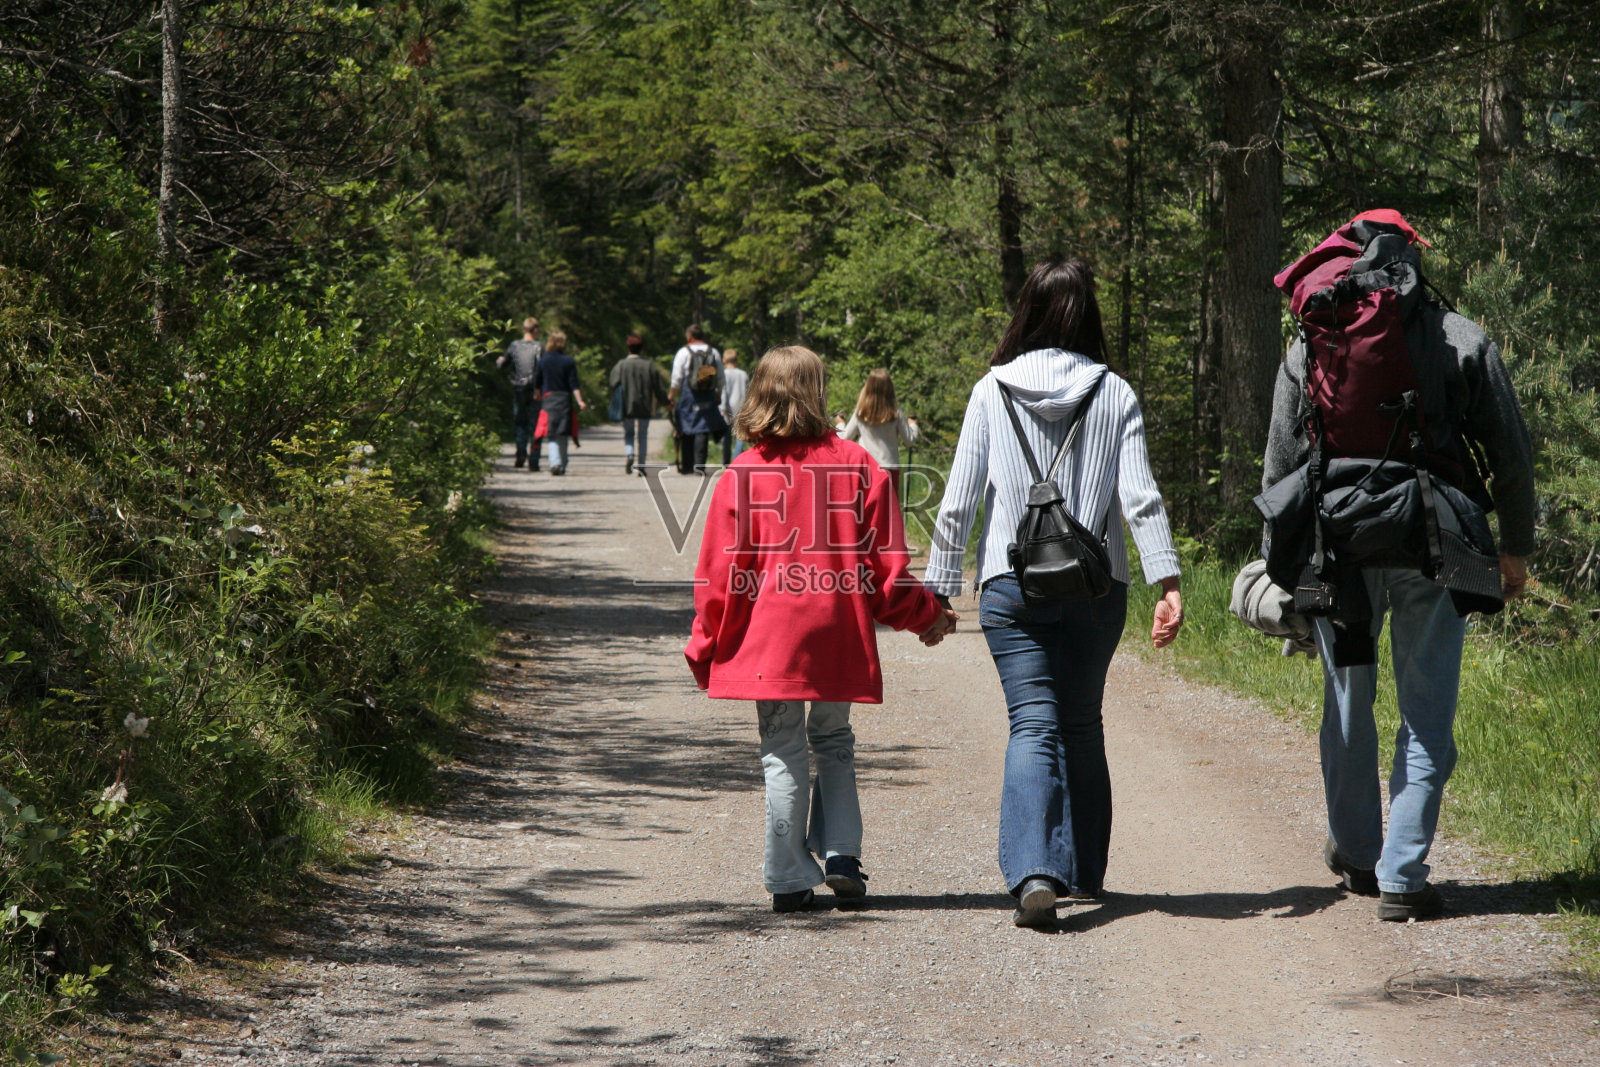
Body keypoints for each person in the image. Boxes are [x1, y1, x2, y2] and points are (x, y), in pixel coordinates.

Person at [1263, 210, 1536, 921]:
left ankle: (1357, 853)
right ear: (1409, 257)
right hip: (1433, 545)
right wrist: (1516, 548)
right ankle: (1404, 875)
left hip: (1339, 546)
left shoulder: (1311, 341)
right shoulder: (1458, 336)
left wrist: (1282, 565)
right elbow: (1509, 452)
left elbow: (1280, 461)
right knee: (1426, 705)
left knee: (1348, 702)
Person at [924, 256, 1184, 929]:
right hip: (1099, 585)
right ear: (1087, 314)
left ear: (1028, 312)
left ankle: (1037, 870)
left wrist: (938, 589)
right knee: (1081, 721)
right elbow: (1140, 495)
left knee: (1033, 722)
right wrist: (1168, 579)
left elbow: (958, 501)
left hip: (1011, 586)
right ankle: (1084, 869)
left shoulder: (991, 390)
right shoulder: (1115, 391)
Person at [686, 346, 959, 913]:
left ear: (759, 391)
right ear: (816, 391)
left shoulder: (742, 473)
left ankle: (788, 878)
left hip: (770, 645)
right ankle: (841, 856)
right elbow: (887, 574)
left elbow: (718, 577)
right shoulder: (858, 464)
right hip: (837, 635)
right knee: (834, 742)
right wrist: (928, 615)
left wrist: (705, 645)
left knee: (781, 751)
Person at [839, 368, 919, 501]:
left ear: (868, 387)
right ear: (889, 388)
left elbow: (845, 437)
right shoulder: (895, 412)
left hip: (866, 468)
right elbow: (909, 440)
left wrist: (840, 423)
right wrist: (913, 424)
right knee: (888, 512)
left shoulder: (861, 412)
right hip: (889, 468)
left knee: (865, 511)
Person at [667, 323, 726, 473]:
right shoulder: (713, 352)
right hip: (708, 394)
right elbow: (720, 377)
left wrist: (671, 397)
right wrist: (718, 395)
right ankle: (699, 466)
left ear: (689, 336)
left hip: (689, 395)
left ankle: (687, 465)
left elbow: (676, 378)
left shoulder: (683, 352)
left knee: (687, 428)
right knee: (703, 429)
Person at [609, 334, 669, 475]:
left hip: (626, 406)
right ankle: (641, 465)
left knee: (629, 433)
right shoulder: (648, 365)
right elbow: (658, 388)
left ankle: (629, 453)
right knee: (642, 435)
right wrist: (666, 402)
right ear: (642, 348)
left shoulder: (621, 365)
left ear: (628, 347)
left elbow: (612, 383)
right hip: (644, 406)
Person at [533, 330, 586, 476]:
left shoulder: (544, 360)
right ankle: (561, 464)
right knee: (562, 433)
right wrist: (580, 401)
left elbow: (537, 380)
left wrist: (537, 394)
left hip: (549, 400)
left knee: (552, 434)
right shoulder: (568, 361)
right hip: (564, 400)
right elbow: (574, 384)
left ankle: (555, 463)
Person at [496, 317, 543, 470]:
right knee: (535, 425)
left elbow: (503, 365)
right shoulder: (539, 347)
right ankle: (534, 460)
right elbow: (543, 369)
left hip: (518, 389)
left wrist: (499, 360)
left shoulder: (514, 346)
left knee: (520, 422)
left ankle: (521, 453)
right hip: (535, 390)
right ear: (535, 330)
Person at [719, 348, 751, 465]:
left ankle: (726, 462)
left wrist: (722, 408)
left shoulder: (723, 374)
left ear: (724, 360)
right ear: (736, 360)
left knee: (726, 438)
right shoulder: (743, 374)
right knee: (739, 437)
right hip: (741, 408)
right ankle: (736, 462)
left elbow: (722, 392)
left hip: (727, 409)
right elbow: (748, 392)